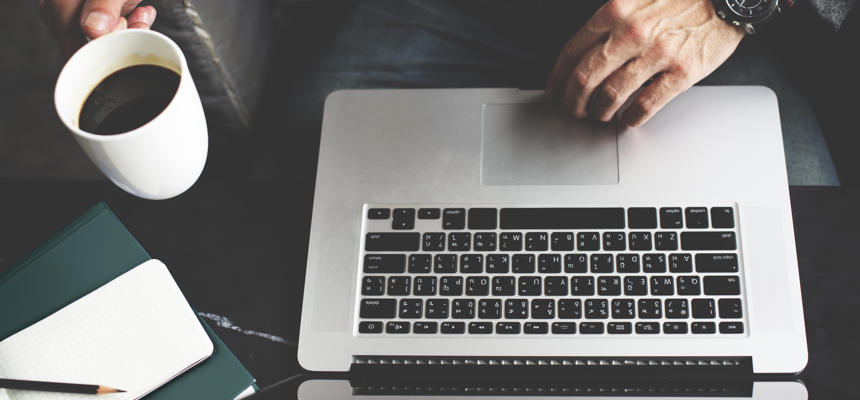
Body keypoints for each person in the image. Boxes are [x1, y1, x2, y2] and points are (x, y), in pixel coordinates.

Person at [37, 0, 849, 184]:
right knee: (282, 252)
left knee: (799, 303)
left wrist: (728, 4)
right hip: (438, 9)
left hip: (704, 30)